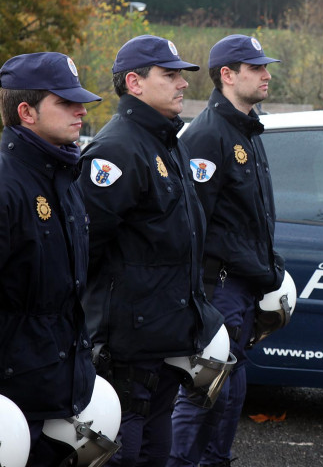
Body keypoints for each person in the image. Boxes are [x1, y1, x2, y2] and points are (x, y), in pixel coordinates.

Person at [77, 35, 225, 466]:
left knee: (157, 448)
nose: (182, 84)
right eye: (170, 74)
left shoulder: (168, 142)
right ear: (134, 83)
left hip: (166, 337)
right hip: (128, 344)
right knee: (128, 450)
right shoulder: (118, 150)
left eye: (182, 74)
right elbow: (85, 250)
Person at [168, 35, 286, 467]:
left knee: (231, 387)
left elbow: (250, 217)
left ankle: (216, 460)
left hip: (243, 285)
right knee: (205, 389)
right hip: (216, 287)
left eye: (264, 67)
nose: (266, 74)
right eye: (256, 68)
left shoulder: (247, 129)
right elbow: (194, 224)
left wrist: (268, 267)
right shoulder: (208, 135)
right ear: (227, 75)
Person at [0, 52, 100, 464]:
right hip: (15, 399)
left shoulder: (64, 177)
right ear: (26, 111)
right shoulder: (7, 186)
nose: (80, 110)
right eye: (64, 101)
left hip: (57, 390)